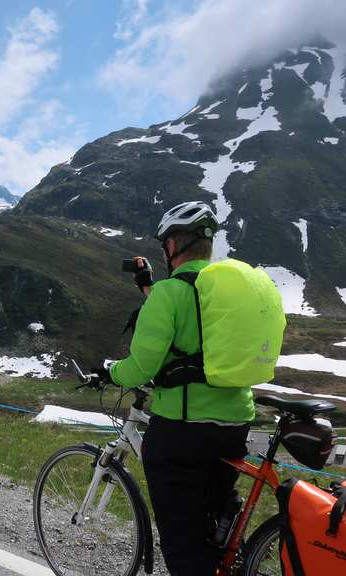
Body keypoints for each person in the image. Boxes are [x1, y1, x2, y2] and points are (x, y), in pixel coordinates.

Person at [105, 201, 254, 576]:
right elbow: (197, 324)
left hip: (184, 430)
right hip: (236, 425)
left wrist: (111, 371)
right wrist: (148, 287)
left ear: (172, 247)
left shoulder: (171, 293)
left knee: (182, 543)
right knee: (210, 523)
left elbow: (141, 366)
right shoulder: (229, 291)